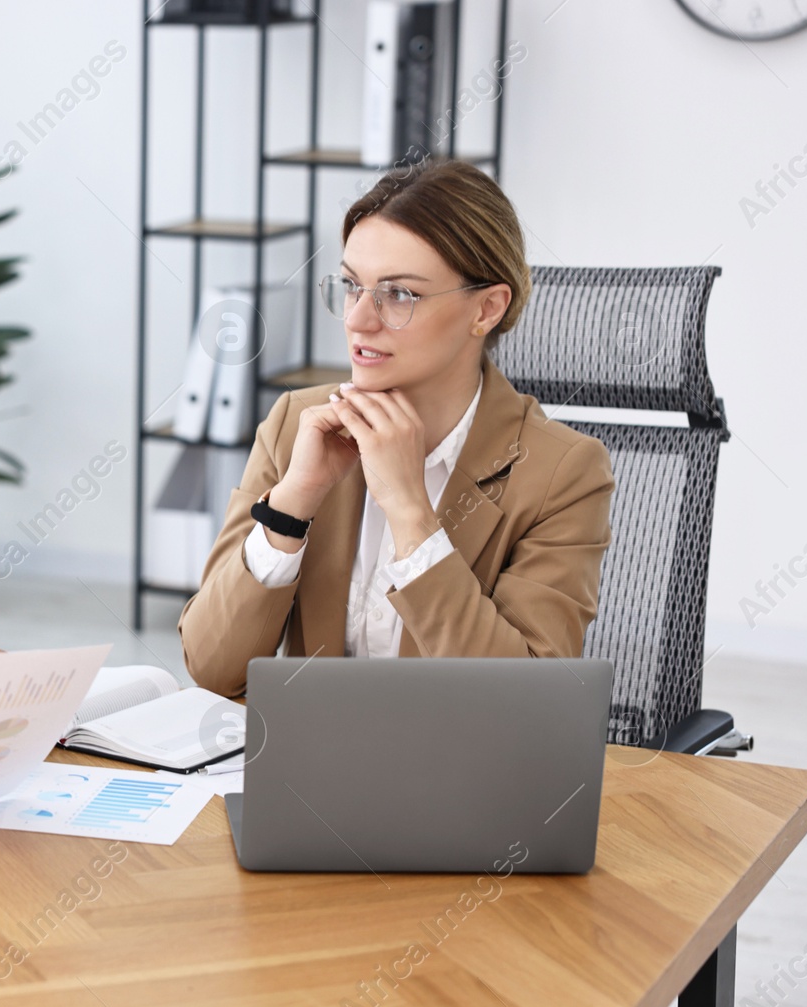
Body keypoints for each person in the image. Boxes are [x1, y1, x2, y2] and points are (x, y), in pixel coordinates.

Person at [179, 159, 614, 698]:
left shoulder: (563, 473)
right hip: (307, 770)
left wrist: (412, 514)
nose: (359, 320)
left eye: (399, 294)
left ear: (487, 308)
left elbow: (521, 703)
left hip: (455, 777)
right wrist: (291, 508)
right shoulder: (298, 424)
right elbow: (211, 668)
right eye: (351, 286)